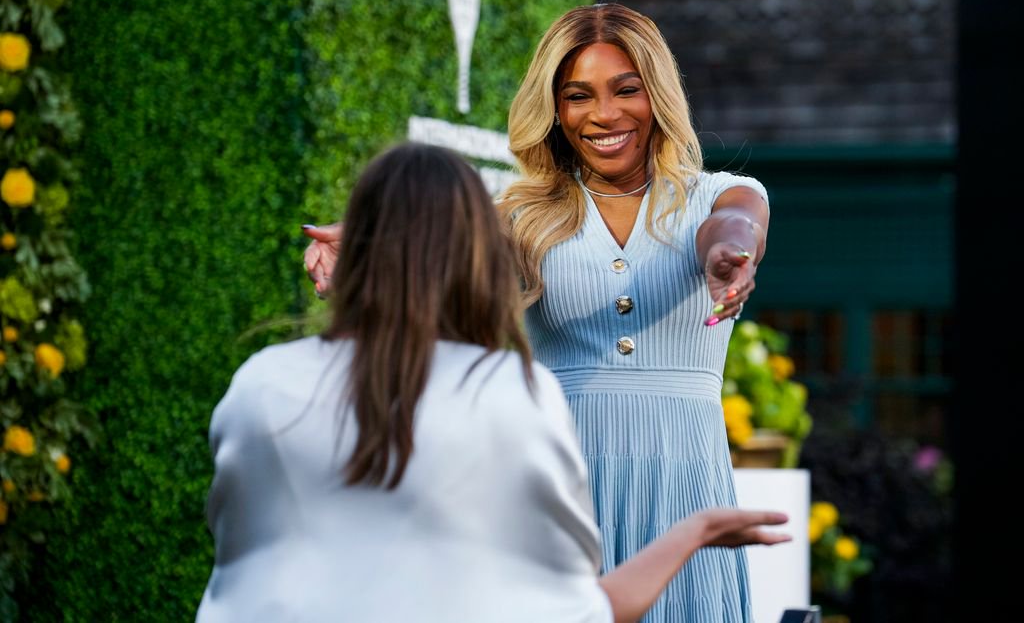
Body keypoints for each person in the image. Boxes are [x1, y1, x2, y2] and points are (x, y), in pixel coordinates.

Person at [304, 4, 772, 622]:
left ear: (656, 94)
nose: (604, 114)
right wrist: (367, 247)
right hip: (555, 479)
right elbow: (436, 255)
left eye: (625, 90)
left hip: (683, 478)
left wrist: (728, 255)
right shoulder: (519, 217)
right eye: (578, 96)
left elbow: (736, 224)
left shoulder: (719, 194)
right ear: (555, 110)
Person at [200, 142, 788, 623]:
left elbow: (236, 539)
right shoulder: (505, 393)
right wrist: (694, 531)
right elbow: (578, 608)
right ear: (476, 264)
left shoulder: (262, 383)